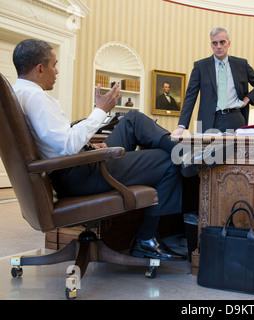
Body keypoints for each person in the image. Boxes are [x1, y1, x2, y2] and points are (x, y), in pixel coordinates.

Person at [12, 39, 193, 261]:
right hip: (78, 174)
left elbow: (56, 142)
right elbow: (66, 145)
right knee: (167, 159)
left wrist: (89, 145)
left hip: (77, 166)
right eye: (54, 65)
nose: (57, 71)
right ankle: (146, 238)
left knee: (132, 120)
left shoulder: (18, 93)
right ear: (40, 69)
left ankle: (183, 154)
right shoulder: (35, 97)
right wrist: (99, 111)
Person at [172, 27, 254, 135]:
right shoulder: (200, 66)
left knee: (235, 152)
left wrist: (248, 98)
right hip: (209, 121)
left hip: (235, 119)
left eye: (222, 42)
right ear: (211, 45)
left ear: (229, 43)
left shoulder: (241, 64)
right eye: (215, 43)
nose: (219, 46)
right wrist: (181, 125)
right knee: (210, 152)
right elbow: (190, 96)